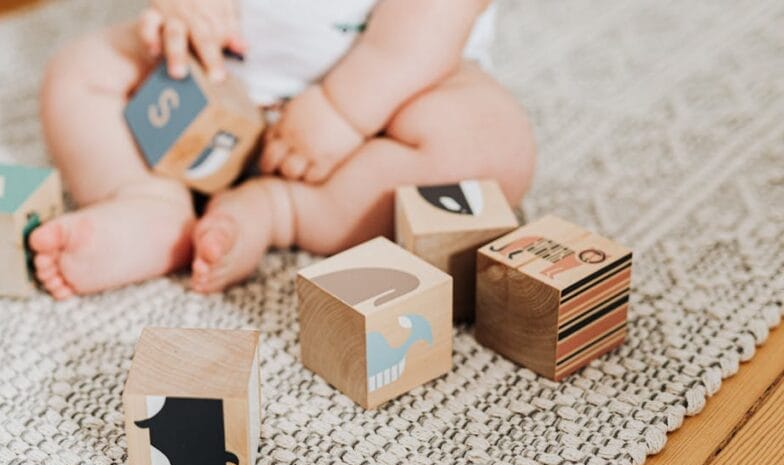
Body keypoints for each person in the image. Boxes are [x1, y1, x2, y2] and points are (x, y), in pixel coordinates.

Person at [30, 0, 535, 299]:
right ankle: (148, 200)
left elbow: (426, 30)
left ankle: (282, 210)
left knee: (490, 146)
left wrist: (342, 110)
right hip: (218, 80)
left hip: (378, 110)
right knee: (80, 74)